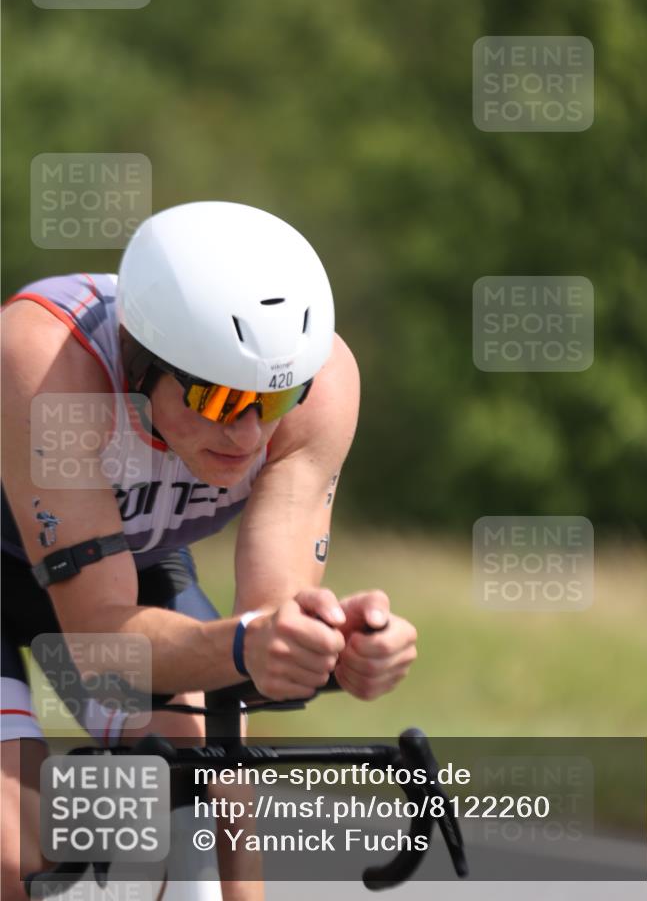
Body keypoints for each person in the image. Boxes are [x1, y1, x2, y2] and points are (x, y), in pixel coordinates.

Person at [0, 202, 418, 901]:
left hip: (123, 570)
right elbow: (100, 639)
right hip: (74, 592)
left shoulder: (326, 385)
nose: (250, 437)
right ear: (139, 364)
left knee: (205, 783)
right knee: (15, 857)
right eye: (220, 399)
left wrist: (338, 648)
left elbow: (266, 623)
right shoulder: (47, 364)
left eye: (274, 399)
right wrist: (248, 644)